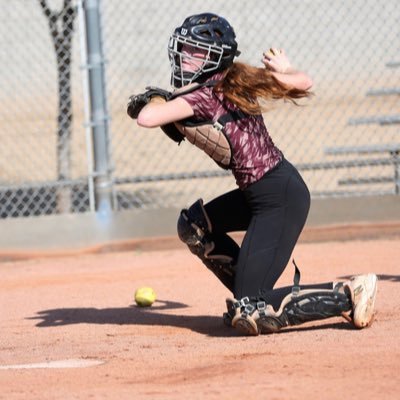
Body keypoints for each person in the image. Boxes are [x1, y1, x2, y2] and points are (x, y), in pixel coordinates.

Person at [127, 12, 378, 336]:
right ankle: (251, 296)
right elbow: (303, 81)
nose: (184, 58)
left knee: (251, 308)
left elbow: (147, 117)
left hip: (279, 198)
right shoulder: (226, 83)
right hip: (259, 194)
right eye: (184, 51)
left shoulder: (209, 92)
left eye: (193, 52)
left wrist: (157, 98)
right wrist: (284, 70)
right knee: (194, 226)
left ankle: (347, 294)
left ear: (214, 58)